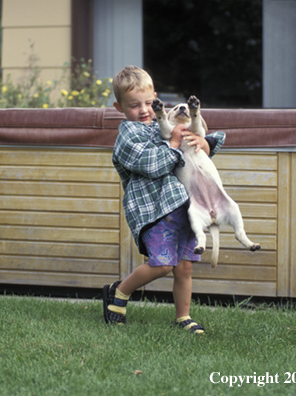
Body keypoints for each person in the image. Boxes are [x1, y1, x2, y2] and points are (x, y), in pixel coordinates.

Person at [102, 65, 225, 334]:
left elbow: (196, 155)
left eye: (148, 102)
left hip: (185, 210)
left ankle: (183, 316)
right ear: (119, 107)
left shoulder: (165, 125)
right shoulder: (129, 135)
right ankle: (119, 292)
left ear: (156, 97)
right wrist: (172, 145)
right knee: (163, 264)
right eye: (134, 105)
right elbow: (151, 164)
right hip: (155, 212)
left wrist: (204, 144)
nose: (144, 110)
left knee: (184, 267)